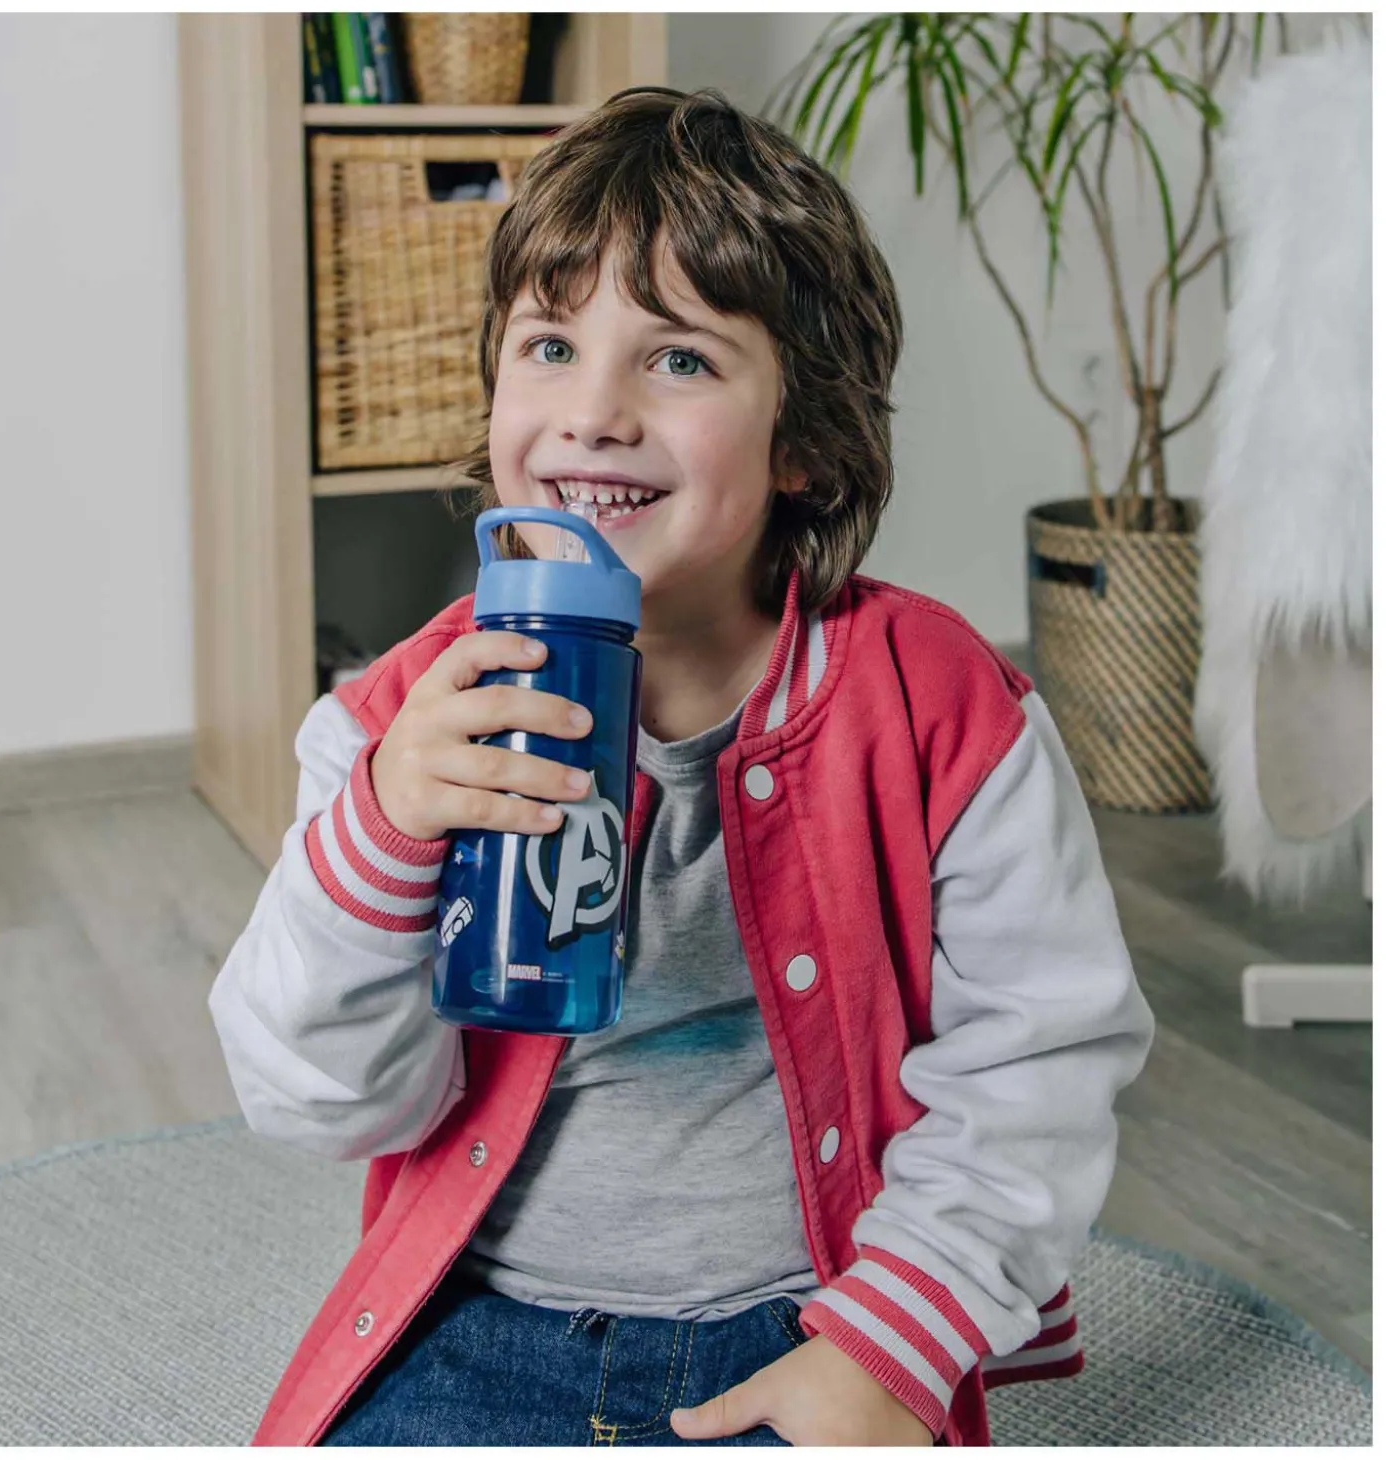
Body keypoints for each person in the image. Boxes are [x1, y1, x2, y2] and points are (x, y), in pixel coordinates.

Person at [209, 86, 1153, 1448]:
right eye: (549, 345)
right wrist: (386, 839)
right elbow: (318, 1099)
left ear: (806, 442)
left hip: (819, 1321)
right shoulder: (394, 728)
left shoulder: (945, 710)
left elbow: (1040, 1061)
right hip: (484, 1320)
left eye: (680, 360)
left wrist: (887, 1350)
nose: (593, 412)